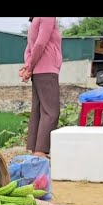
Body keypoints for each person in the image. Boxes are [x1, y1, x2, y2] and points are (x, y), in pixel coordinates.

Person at [19, 17, 62, 158]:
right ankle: (41, 151)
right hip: (47, 70)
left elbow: (29, 49)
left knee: (38, 110)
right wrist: (29, 68)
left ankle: (35, 149)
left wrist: (28, 67)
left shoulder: (35, 21)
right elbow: (39, 44)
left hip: (38, 72)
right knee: (51, 112)